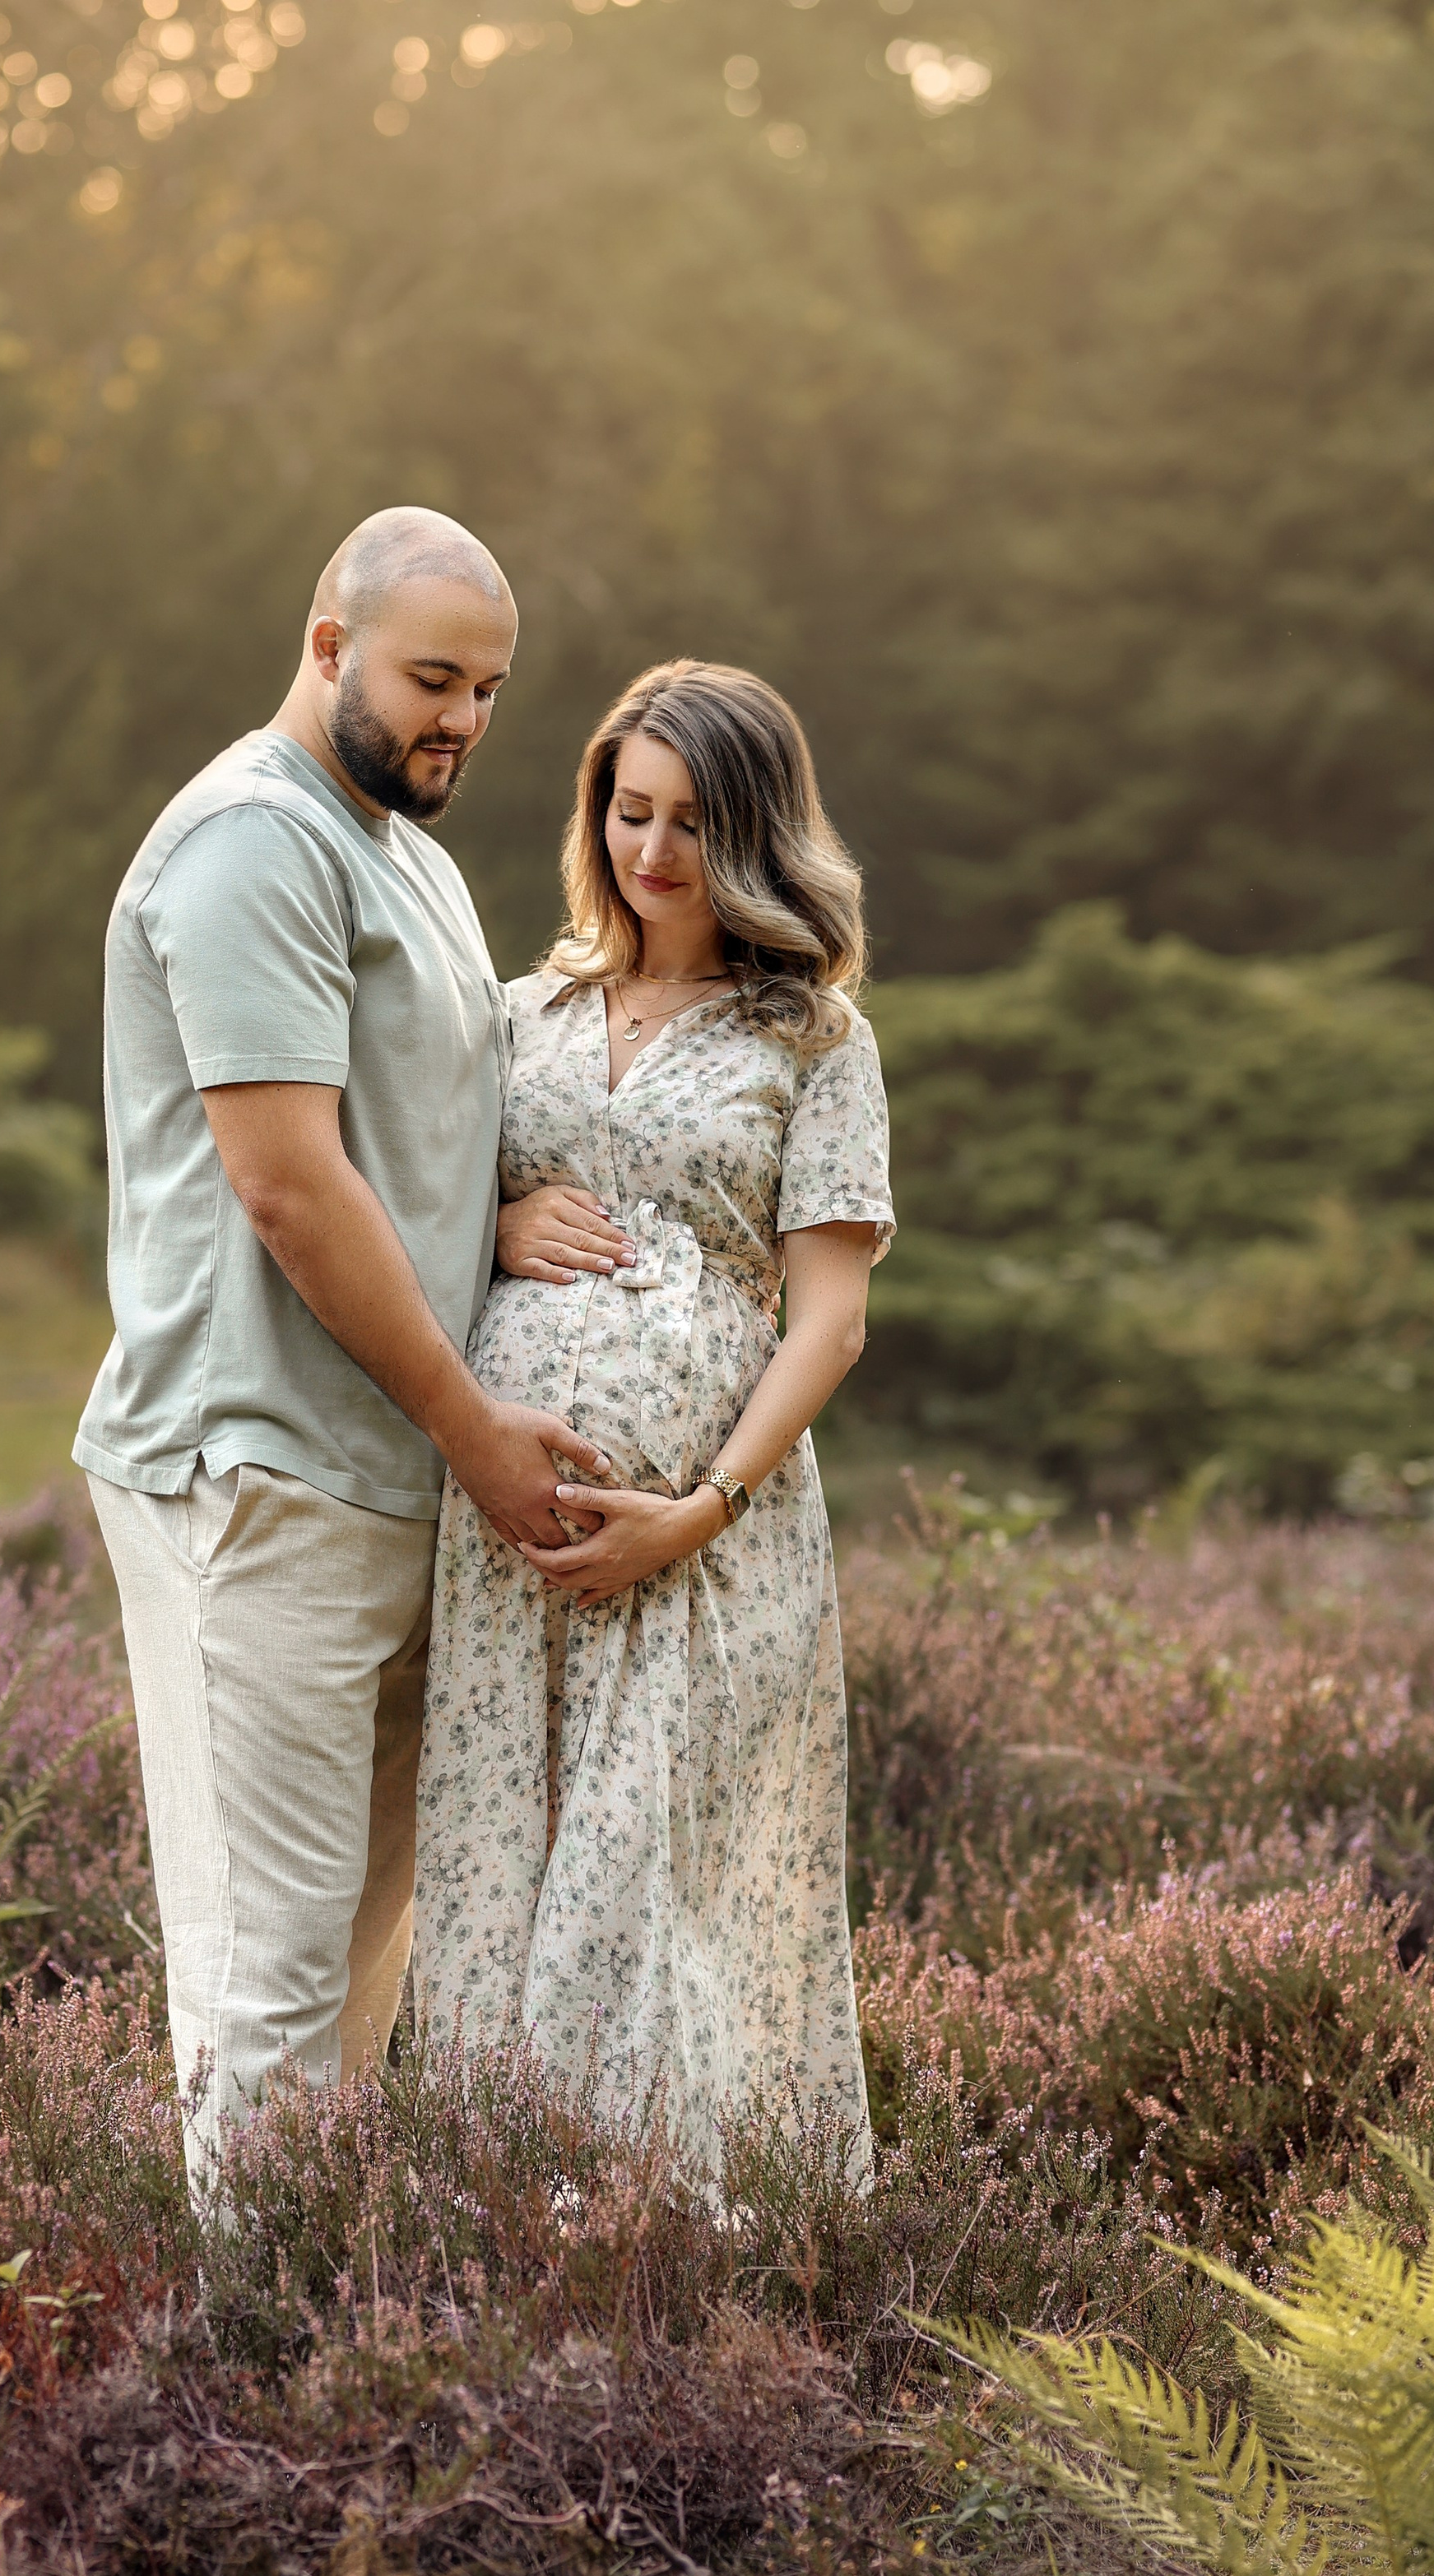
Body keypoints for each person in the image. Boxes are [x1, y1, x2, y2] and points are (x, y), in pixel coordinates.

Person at [73, 507, 608, 2190]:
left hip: (393, 1487)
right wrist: (475, 1434)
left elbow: (412, 1127)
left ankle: (321, 2376)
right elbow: (289, 1183)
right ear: (326, 646)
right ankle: (235, 2410)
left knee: (355, 1999)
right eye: (429, 677)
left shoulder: (417, 866)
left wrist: (494, 1214)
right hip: (260, 1477)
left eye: (490, 691)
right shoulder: (251, 846)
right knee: (268, 1988)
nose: (460, 718)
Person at [414, 660, 894, 2178]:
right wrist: (490, 1233)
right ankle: (501, 2239)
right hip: (511, 1544)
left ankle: (685, 2266)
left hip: (704, 1549)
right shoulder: (522, 1011)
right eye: (630, 811)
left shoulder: (814, 1041)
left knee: (650, 1899)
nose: (655, 851)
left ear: (756, 834)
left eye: (694, 821)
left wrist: (702, 1507)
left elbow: (831, 1318)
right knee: (502, 1877)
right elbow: (412, 1216)